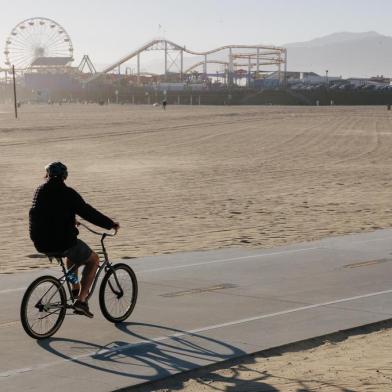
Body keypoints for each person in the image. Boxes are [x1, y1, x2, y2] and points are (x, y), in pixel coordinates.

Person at [29, 162, 119, 318]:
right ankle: (82, 301)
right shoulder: (68, 193)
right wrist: (109, 224)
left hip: (40, 242)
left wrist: (70, 221)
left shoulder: (40, 191)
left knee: (72, 258)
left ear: (48, 175)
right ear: (65, 176)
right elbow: (87, 212)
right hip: (61, 241)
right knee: (93, 260)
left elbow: (47, 215)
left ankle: (75, 287)